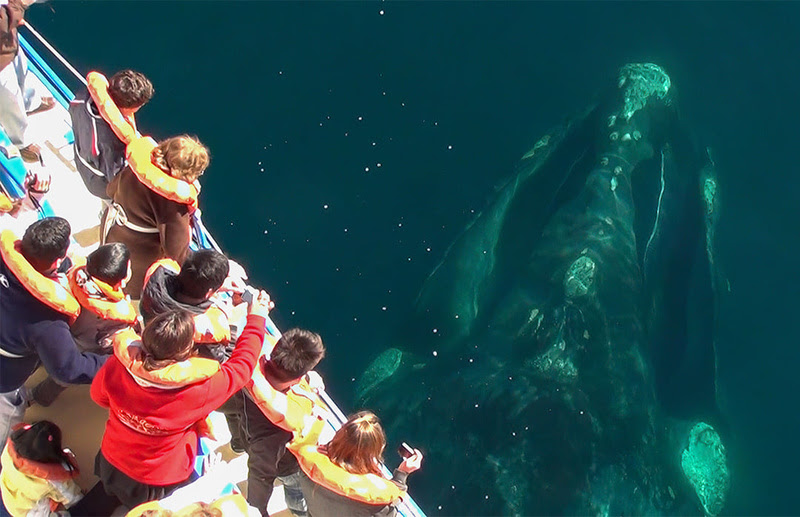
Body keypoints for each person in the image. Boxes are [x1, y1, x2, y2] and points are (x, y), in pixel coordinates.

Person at [88, 290, 272, 510]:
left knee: (105, 497)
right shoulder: (200, 390)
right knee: (144, 509)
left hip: (112, 458)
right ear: (187, 352)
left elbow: (98, 397)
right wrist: (257, 317)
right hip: (157, 479)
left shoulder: (117, 366)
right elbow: (242, 366)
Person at [0, 218, 106, 446]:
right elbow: (68, 370)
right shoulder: (47, 320)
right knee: (7, 424)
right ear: (57, 261)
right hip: (4, 382)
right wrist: (108, 363)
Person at [30, 242, 137, 407]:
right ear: (121, 282)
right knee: (61, 379)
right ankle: (39, 398)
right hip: (79, 351)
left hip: (56, 333)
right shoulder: (116, 314)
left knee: (47, 361)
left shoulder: (71, 271)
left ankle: (32, 394)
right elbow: (107, 341)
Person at [103, 134, 209, 299]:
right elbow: (177, 253)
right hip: (137, 262)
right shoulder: (173, 202)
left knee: (107, 272)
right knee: (127, 291)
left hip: (113, 235)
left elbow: (110, 190)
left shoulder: (136, 168)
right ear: (186, 173)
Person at [239, 328, 326, 517]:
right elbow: (261, 472)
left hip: (246, 428)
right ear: (297, 379)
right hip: (288, 466)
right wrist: (257, 510)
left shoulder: (244, 364)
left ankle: (237, 445)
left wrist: (308, 378)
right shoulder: (279, 427)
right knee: (297, 495)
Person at [291, 411, 423, 517]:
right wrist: (402, 475)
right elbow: (392, 509)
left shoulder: (309, 464)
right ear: (375, 451)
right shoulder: (374, 500)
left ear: (339, 436)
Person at [69, 69, 154, 199]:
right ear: (128, 108)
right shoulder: (113, 143)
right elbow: (117, 178)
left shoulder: (84, 97)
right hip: (97, 183)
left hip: (81, 154)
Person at [0, 0, 54, 164]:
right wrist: (18, 5)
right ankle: (21, 142)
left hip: (7, 43)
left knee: (21, 67)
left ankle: (29, 102)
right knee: (8, 97)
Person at [0, 420, 82, 516]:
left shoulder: (8, 451)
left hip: (9, 495)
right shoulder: (51, 480)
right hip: (28, 511)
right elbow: (71, 497)